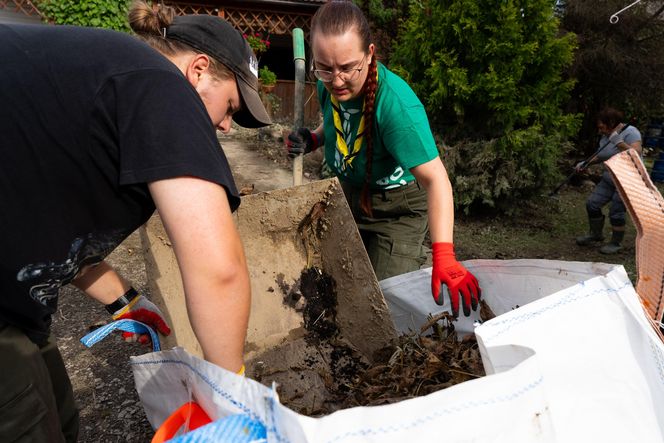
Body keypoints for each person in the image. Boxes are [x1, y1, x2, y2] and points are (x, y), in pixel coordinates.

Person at [0, 0, 270, 440]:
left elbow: (57, 229)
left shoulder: (103, 75)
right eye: (231, 107)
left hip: (13, 303)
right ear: (198, 71)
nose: (225, 127)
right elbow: (218, 270)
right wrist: (229, 396)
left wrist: (123, 300)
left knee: (60, 418)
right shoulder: (161, 85)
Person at [286, 0, 480, 318]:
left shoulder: (396, 108)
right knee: (340, 284)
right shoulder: (329, 85)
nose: (336, 80)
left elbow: (437, 180)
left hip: (396, 210)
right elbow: (336, 120)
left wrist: (444, 254)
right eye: (325, 67)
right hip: (349, 195)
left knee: (384, 303)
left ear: (370, 54)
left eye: (348, 67)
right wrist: (314, 139)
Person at [575, 107, 642, 254]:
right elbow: (601, 155)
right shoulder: (606, 135)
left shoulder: (631, 132)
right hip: (610, 177)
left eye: (601, 127)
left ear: (611, 122)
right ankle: (596, 235)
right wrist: (586, 162)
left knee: (616, 211)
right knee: (592, 204)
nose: (600, 131)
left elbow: (636, 154)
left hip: (627, 180)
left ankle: (616, 243)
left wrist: (619, 142)